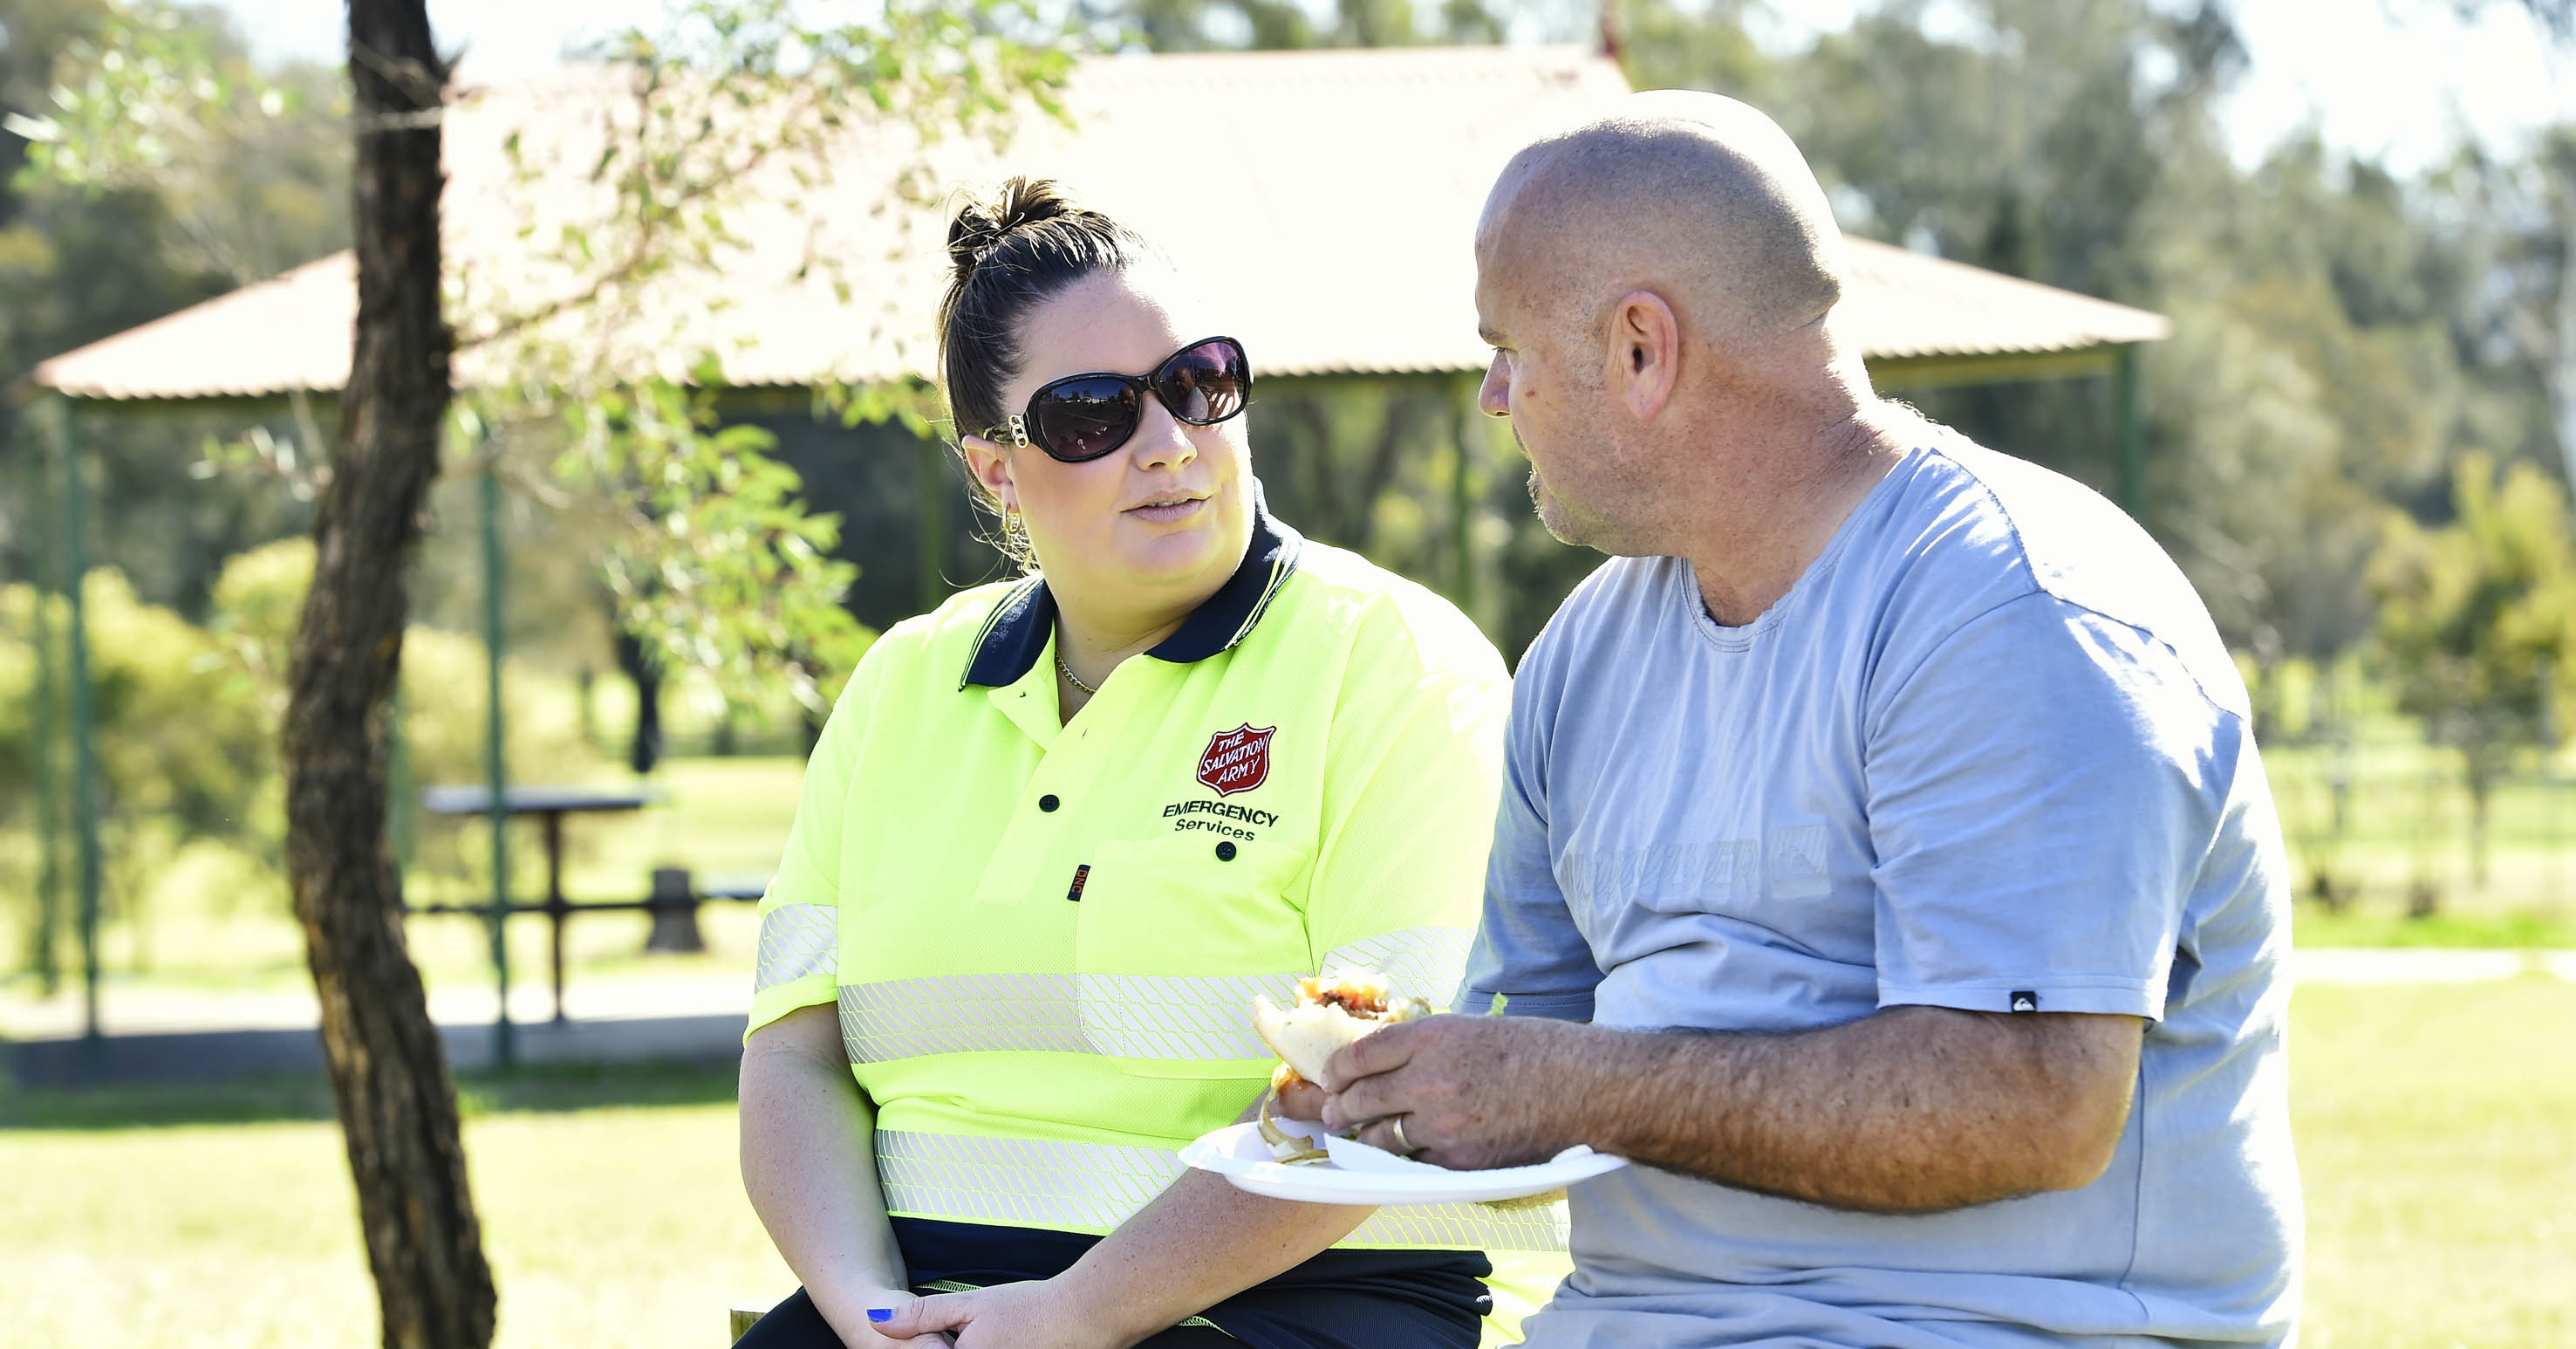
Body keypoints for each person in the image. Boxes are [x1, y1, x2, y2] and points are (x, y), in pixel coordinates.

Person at [1308, 92, 2303, 1348]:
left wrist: (1569, 1085)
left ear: (1637, 350)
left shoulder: (2019, 613)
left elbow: (2032, 1107)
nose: (1493, 396)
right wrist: (1388, 1094)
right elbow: (1526, 1063)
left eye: (1506, 348)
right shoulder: (1583, 653)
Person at [732, 177, 1565, 1349]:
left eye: (1198, 383)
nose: (1170, 445)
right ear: (996, 471)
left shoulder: (1393, 665)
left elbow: (1383, 1089)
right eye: (1090, 415)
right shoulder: (900, 686)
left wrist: (1076, 1314)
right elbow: (795, 1055)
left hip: (1300, 1301)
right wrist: (874, 1315)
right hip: (942, 1297)